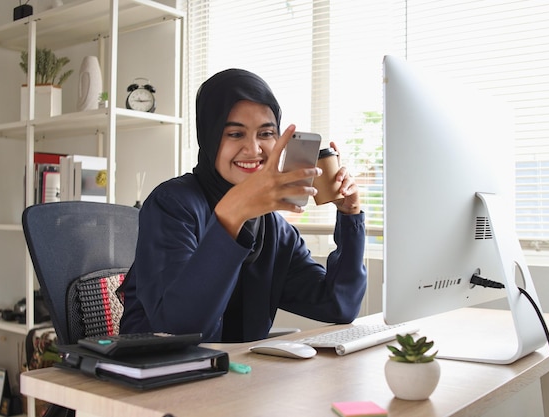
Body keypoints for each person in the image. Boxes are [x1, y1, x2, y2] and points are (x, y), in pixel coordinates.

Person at [118, 68, 367, 342]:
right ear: (209, 137)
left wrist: (349, 215)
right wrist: (231, 217)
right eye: (235, 134)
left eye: (266, 133)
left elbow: (339, 305)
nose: (253, 149)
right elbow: (180, 329)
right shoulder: (172, 205)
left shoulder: (272, 227)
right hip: (159, 374)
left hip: (237, 375)